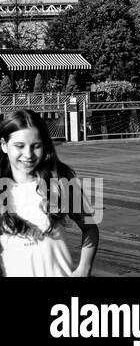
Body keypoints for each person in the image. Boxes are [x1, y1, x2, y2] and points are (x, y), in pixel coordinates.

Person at [0, 109, 100, 276]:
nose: (28, 154)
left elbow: (90, 228)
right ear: (4, 145)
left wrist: (84, 268)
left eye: (36, 146)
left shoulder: (60, 181)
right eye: (19, 146)